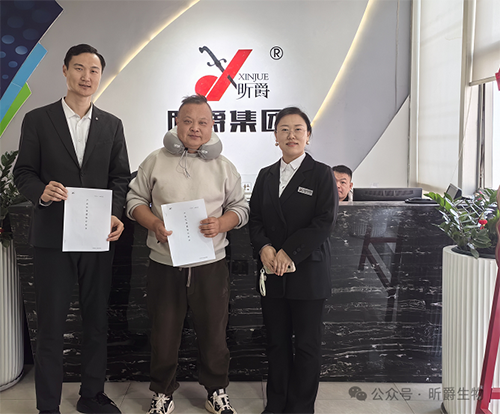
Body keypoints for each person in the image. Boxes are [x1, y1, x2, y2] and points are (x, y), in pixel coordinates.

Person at [13, 44, 131, 414]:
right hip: (52, 238)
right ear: (65, 71)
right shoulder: (38, 119)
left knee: (96, 321)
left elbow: (120, 177)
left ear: (101, 76)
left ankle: (91, 395)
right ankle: (48, 404)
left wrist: (115, 213)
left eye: (94, 70)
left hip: (96, 236)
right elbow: (23, 172)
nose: (86, 77)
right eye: (79, 68)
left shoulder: (111, 124)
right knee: (51, 325)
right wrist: (41, 191)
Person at [126, 94, 249, 414]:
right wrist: (153, 223)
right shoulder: (154, 160)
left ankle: (216, 390)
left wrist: (222, 223)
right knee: (164, 332)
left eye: (203, 122)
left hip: (210, 264)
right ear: (176, 123)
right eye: (188, 121)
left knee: (214, 332)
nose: (195, 128)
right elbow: (134, 201)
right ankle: (162, 392)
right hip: (165, 263)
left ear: (212, 127)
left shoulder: (224, 167)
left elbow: (241, 208)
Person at [249, 107, 338, 414]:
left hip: (308, 272)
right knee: (276, 342)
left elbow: (324, 222)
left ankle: (300, 408)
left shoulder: (322, 173)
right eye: (284, 129)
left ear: (308, 136)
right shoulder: (265, 175)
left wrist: (289, 252)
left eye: (298, 129)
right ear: (275, 137)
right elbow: (255, 219)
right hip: (272, 272)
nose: (291, 135)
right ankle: (276, 404)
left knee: (307, 346)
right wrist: (264, 247)